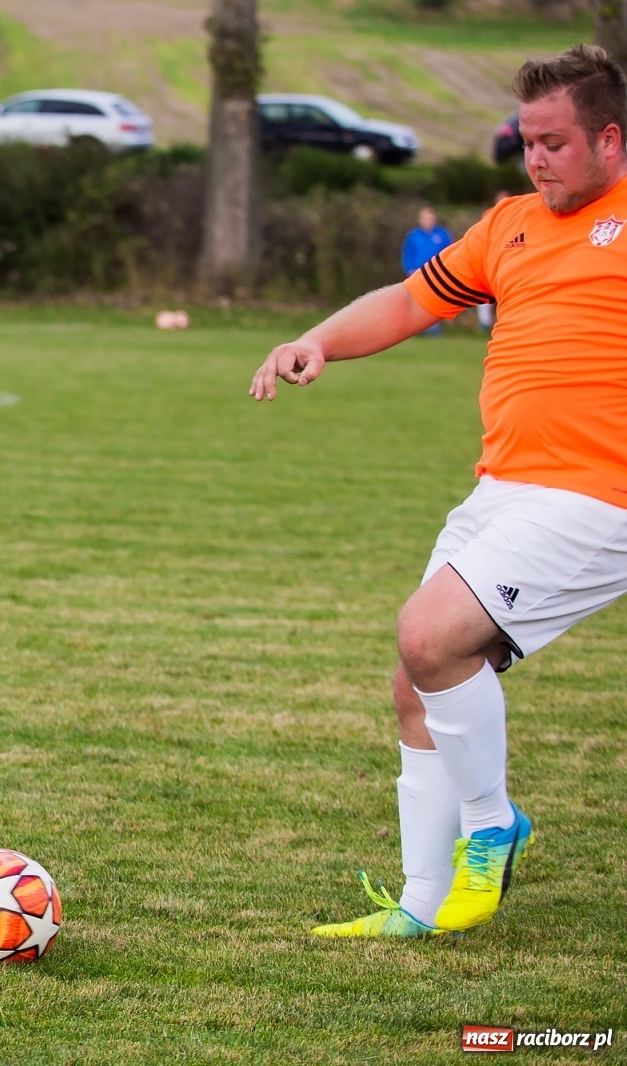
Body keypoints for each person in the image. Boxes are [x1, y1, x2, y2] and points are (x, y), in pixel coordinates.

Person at [249, 44, 627, 938]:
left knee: (429, 634)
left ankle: (493, 828)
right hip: (502, 487)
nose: (536, 159)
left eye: (555, 143)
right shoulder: (511, 224)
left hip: (598, 495)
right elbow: (417, 300)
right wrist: (320, 341)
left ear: (611, 140)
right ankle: (420, 907)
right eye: (526, 142)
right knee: (417, 684)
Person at [400, 206, 453, 335]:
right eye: (425, 218)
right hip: (418, 274)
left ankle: (433, 328)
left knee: (436, 300)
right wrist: (409, 269)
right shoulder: (413, 235)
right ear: (420, 219)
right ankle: (417, 327)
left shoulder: (442, 234)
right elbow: (407, 254)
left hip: (437, 273)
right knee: (418, 301)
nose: (428, 220)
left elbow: (450, 252)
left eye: (430, 218)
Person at [476, 191, 513, 332]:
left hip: (509, 261)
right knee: (484, 295)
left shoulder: (517, 216)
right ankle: (484, 324)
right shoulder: (489, 215)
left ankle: (506, 323)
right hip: (491, 261)